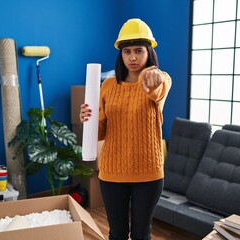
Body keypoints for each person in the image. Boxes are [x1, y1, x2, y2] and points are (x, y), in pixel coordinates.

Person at [79, 18, 172, 240]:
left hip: (148, 174)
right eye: (127, 51)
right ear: (120, 54)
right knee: (117, 234)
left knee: (141, 235)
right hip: (112, 173)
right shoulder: (108, 85)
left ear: (149, 52)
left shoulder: (161, 80)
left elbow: (158, 91)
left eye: (138, 50)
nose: (132, 57)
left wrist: (154, 79)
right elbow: (100, 132)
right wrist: (87, 120)